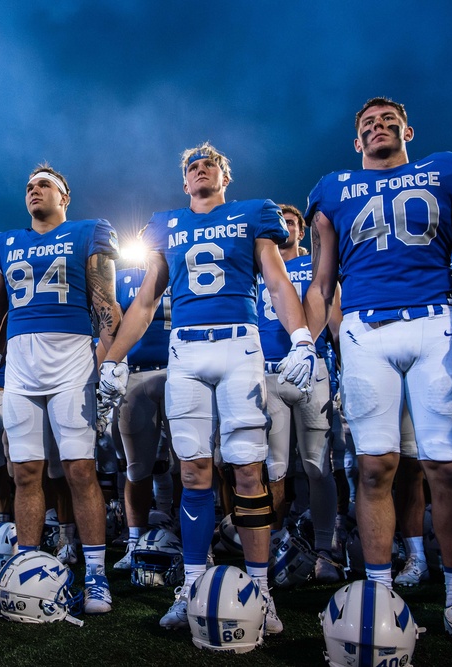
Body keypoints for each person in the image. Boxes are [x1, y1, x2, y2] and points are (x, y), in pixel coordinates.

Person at [304, 97, 452, 651]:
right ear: (356, 141)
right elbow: (322, 283)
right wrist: (304, 339)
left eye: (389, 120)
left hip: (436, 324)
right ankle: (379, 595)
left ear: (408, 129)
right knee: (374, 467)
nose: (378, 127)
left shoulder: (447, 170)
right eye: (367, 123)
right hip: (366, 330)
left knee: (446, 467)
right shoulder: (334, 189)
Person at [100, 143, 315, 635]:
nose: (200, 170)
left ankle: (261, 592)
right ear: (184, 182)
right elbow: (148, 301)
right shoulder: (167, 223)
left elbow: (278, 282)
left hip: (241, 347)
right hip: (186, 352)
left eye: (209, 165)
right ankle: (193, 585)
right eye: (191, 167)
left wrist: (301, 337)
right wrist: (114, 360)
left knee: (246, 471)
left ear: (224, 177)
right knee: (194, 471)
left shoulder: (253, 213)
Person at [0, 165, 120, 614]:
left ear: (64, 195)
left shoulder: (88, 231)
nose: (34, 190)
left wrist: (113, 360)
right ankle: (24, 569)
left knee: (78, 470)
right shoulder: (5, 242)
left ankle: (95, 574)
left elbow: (105, 303)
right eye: (29, 186)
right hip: (21, 366)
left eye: (44, 184)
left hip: (72, 358)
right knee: (25, 473)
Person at [257, 204, 340, 582]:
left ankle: (326, 549)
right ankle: (274, 545)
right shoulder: (260, 265)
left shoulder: (313, 268)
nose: (285, 227)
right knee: (273, 469)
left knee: (317, 467)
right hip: (267, 371)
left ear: (301, 231)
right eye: (280, 222)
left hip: (311, 370)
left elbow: (334, 320)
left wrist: (344, 369)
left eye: (291, 222)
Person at [110, 261, 173, 570]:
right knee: (136, 467)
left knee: (194, 462)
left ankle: (186, 537)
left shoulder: (181, 264)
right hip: (135, 372)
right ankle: (134, 541)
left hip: (181, 370)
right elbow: (110, 323)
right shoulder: (122, 277)